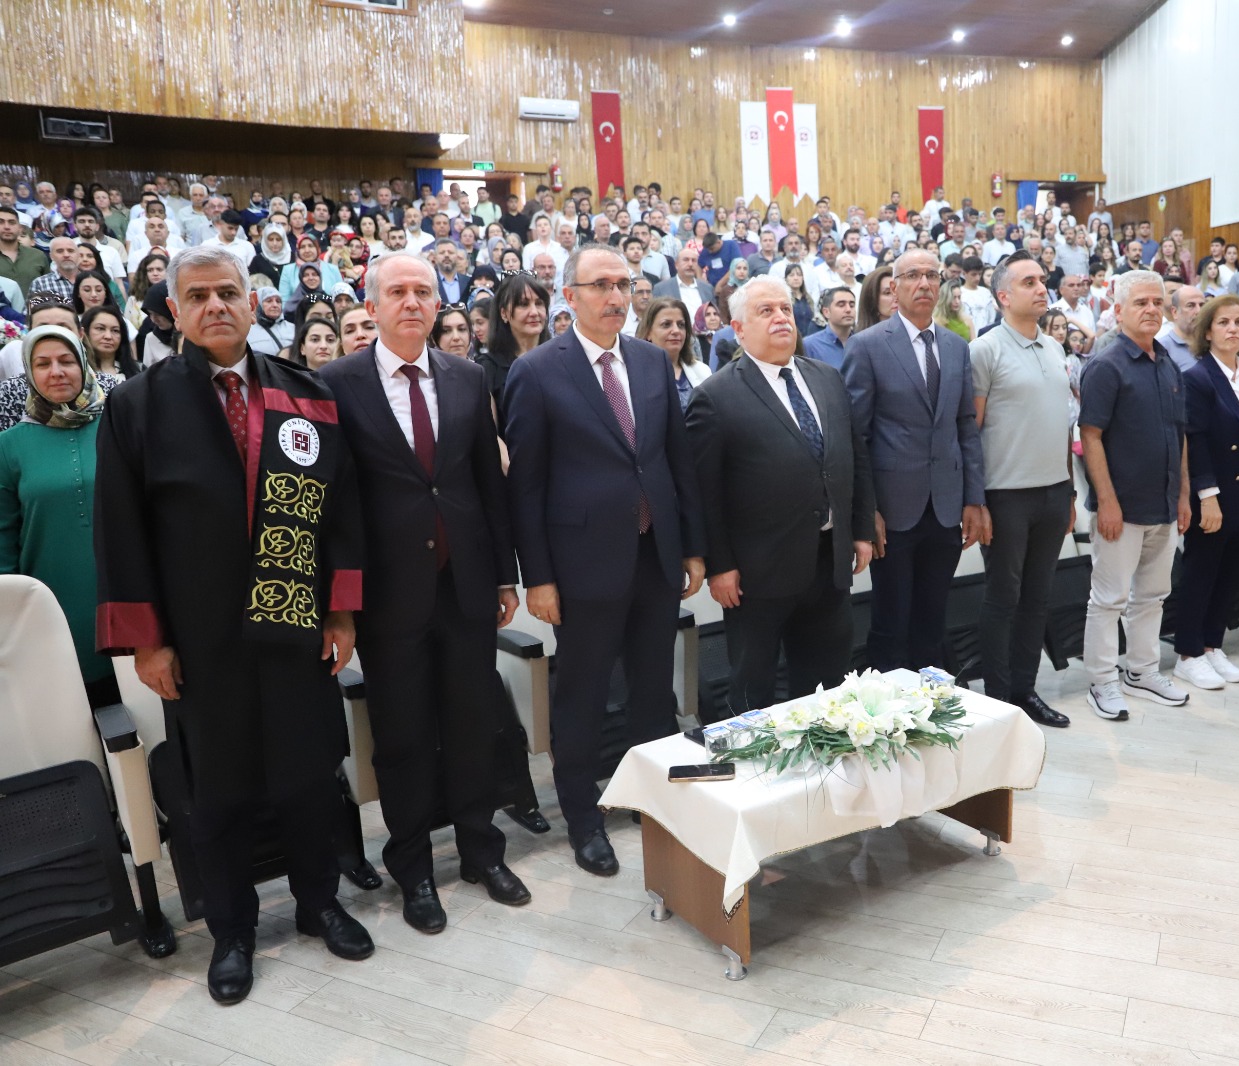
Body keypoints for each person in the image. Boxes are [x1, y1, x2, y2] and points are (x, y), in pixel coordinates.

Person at [93, 245, 372, 1005]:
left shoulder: (306, 396)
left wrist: (341, 610)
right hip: (200, 639)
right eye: (198, 296)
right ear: (174, 311)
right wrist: (147, 641)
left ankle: (319, 903)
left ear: (253, 304)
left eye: (228, 293)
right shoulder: (138, 406)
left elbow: (340, 511)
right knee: (216, 795)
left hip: (296, 628)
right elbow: (121, 531)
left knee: (311, 777)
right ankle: (233, 931)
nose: (216, 306)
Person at [319, 252, 530, 934]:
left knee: (473, 723)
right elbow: (334, 503)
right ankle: (413, 870)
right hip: (387, 594)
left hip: (465, 584)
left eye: (423, 292)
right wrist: (342, 603)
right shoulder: (336, 383)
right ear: (373, 305)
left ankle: (480, 849)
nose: (412, 302)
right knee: (403, 738)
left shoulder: (467, 378)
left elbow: (485, 486)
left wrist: (503, 573)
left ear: (439, 304)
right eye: (398, 292)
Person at [501, 243, 706, 878]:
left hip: (653, 554)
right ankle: (584, 820)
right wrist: (537, 576)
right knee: (583, 699)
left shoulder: (650, 360)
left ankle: (656, 800)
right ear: (569, 297)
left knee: (653, 688)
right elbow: (525, 487)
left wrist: (693, 545)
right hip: (581, 565)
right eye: (600, 286)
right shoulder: (537, 372)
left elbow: (676, 461)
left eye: (624, 284)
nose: (616, 296)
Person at [686, 277, 873, 718]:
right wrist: (720, 566)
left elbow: (854, 458)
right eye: (765, 311)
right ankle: (757, 775)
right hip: (757, 572)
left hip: (829, 561)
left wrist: (861, 529)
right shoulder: (715, 396)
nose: (780, 318)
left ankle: (824, 766)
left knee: (828, 683)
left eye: (785, 309)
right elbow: (704, 495)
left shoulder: (826, 378)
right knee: (753, 687)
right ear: (737, 328)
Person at [843, 249, 986, 674]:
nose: (923, 284)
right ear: (895, 286)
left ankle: (930, 709)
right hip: (893, 509)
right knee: (891, 620)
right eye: (912, 276)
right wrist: (866, 510)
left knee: (933, 617)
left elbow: (965, 425)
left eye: (931, 275)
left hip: (945, 506)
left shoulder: (957, 347)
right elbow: (856, 437)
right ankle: (887, 717)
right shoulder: (867, 346)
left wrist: (973, 498)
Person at [1078, 270, 1191, 719]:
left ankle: (1141, 670)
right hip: (1120, 508)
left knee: (1153, 595)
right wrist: (1106, 501)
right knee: (1108, 600)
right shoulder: (1106, 365)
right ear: (1118, 309)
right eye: (1140, 302)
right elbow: (1090, 436)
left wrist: (1182, 496)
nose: (1150, 310)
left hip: (1162, 503)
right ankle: (1102, 681)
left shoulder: (1167, 362)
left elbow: (1178, 435)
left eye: (1156, 303)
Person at [969, 253, 1076, 725]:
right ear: (1003, 296)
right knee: (1003, 597)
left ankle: (1024, 691)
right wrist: (976, 501)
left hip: (1053, 492)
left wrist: (1070, 493)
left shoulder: (1054, 349)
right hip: (1006, 495)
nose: (1041, 287)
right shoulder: (986, 350)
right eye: (1028, 281)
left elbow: (1060, 427)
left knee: (1038, 596)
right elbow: (970, 433)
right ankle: (997, 699)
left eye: (1042, 279)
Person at [0, 326, 120, 705]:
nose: (56, 371)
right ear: (29, 373)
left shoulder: (119, 426)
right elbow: (3, 542)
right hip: (51, 611)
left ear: (84, 365)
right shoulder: (8, 446)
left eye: (67, 361)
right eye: (43, 363)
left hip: (125, 597)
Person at [1169, 296, 1239, 689]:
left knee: (1231, 570)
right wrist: (1206, 495)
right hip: (1213, 488)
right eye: (1224, 322)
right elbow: (1193, 441)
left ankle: (1213, 645)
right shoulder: (1197, 377)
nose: (1233, 329)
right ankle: (1188, 652)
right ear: (1207, 331)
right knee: (1202, 571)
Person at [478, 273, 549, 410]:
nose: (534, 312)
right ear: (504, 313)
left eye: (539, 303)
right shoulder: (488, 368)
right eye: (523, 304)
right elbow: (490, 428)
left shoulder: (561, 359)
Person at [638, 297, 710, 411]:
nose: (676, 331)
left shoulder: (702, 370)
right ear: (648, 332)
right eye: (666, 324)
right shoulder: (635, 374)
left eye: (681, 325)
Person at [803, 286, 856, 370]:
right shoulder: (810, 345)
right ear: (826, 312)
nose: (848, 309)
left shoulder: (863, 342)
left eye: (852, 305)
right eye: (841, 305)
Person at [0, 205, 50, 293]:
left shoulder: (38, 256)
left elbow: (48, 289)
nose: (6, 227)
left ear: (19, 228)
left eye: (12, 222)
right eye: (1, 222)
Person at [1155, 284, 1203, 371]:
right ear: (1175, 312)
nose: (1198, 311)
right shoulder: (1161, 349)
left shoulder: (1213, 344)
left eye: (1202, 305)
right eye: (1190, 305)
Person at [247, 286, 293, 358]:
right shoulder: (248, 331)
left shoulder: (293, 328)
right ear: (258, 304)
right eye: (269, 301)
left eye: (278, 301)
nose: (275, 305)